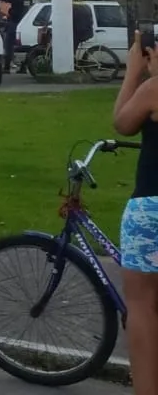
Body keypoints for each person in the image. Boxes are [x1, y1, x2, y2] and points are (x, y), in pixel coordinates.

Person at [112, 30, 158, 395]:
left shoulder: (154, 88)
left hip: (151, 209)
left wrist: (133, 73)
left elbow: (123, 123)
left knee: (142, 307)